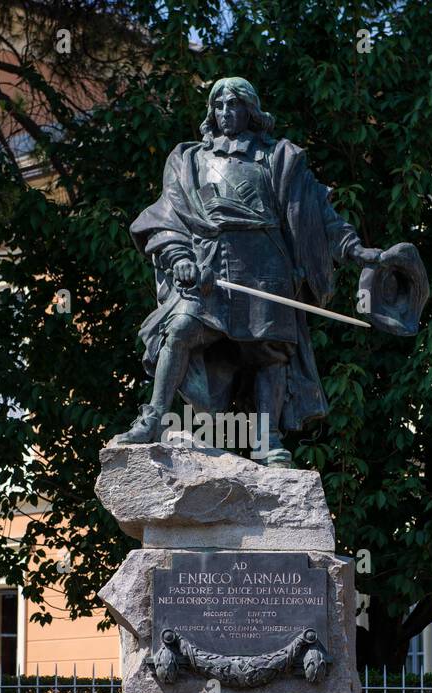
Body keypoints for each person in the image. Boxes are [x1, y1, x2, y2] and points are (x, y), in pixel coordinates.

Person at [114, 77, 384, 466]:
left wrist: (356, 251)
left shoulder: (278, 158)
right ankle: (153, 417)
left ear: (251, 111)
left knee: (269, 351)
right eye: (219, 106)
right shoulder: (189, 160)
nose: (226, 113)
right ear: (212, 112)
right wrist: (179, 258)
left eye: (235, 105)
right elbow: (166, 219)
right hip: (210, 266)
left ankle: (268, 439)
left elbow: (319, 217)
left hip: (265, 265)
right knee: (180, 329)